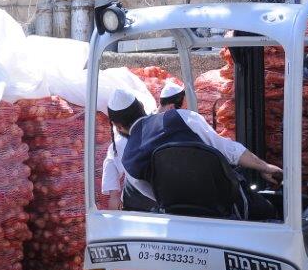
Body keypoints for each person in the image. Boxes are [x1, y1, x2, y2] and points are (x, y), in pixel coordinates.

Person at [113, 89, 283, 217]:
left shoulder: (127, 160)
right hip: (231, 208)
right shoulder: (180, 118)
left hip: (182, 220)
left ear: (117, 126)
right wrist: (265, 167)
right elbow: (228, 150)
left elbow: (155, 196)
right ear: (142, 107)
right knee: (271, 211)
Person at [103, 90, 156, 212]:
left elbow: (111, 162)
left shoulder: (121, 142)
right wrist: (114, 196)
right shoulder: (161, 126)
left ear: (118, 126)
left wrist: (114, 196)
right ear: (141, 107)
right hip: (150, 201)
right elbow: (111, 162)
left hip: (140, 202)